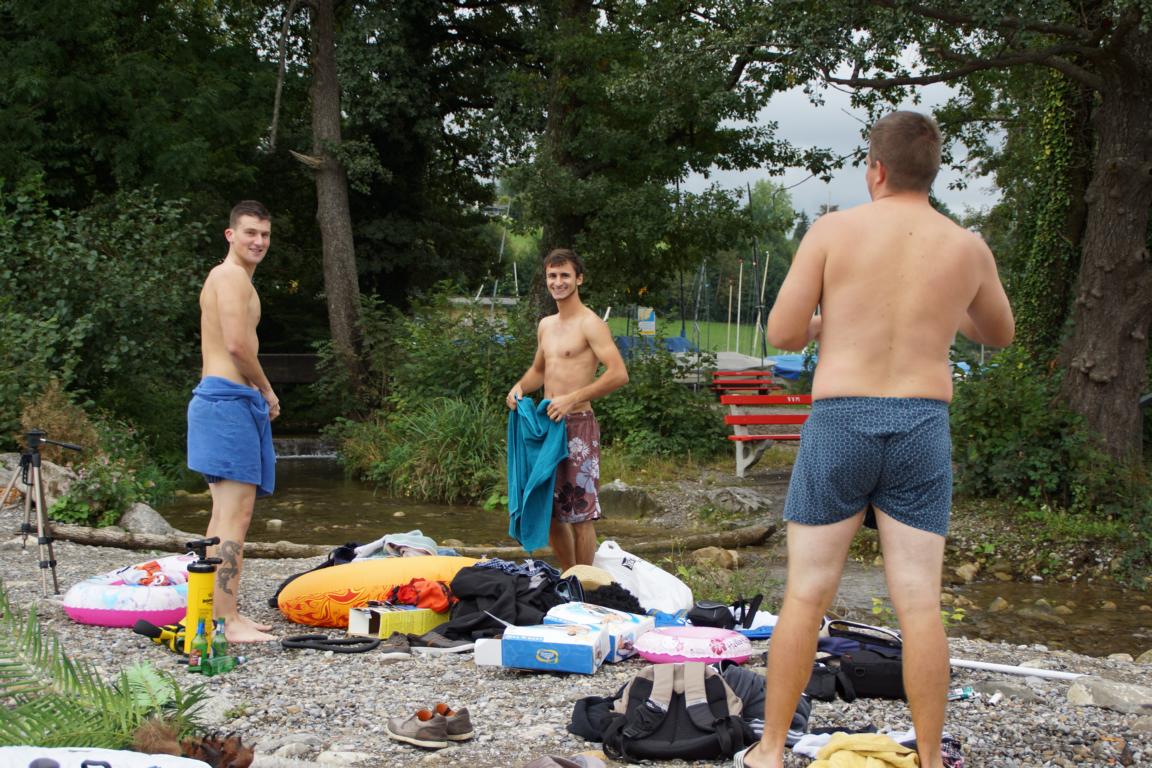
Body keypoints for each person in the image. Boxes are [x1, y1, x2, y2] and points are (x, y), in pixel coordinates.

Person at [740, 112, 1014, 768]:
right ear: (933, 172)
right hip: (922, 423)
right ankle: (929, 758)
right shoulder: (966, 246)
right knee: (919, 603)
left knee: (806, 591)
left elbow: (782, 333)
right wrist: (945, 309)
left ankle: (770, 751)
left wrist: (825, 320)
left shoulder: (834, 231)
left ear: (877, 169)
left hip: (841, 420)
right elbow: (997, 333)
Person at [186, 200, 280, 644]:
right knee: (235, 516)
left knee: (224, 514)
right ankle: (225, 620)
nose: (258, 241)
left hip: (223, 402)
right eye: (250, 233)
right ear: (231, 235)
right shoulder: (230, 276)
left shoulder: (233, 278)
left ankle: (213, 614)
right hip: (227, 403)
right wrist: (266, 390)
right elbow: (238, 346)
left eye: (264, 234)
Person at [505, 249, 630, 571]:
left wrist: (573, 398)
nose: (558, 282)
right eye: (552, 276)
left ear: (579, 279)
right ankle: (568, 576)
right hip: (546, 425)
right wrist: (519, 387)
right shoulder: (546, 325)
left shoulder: (591, 324)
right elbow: (539, 371)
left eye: (564, 275)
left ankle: (583, 584)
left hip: (578, 425)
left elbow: (618, 373)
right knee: (548, 510)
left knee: (580, 512)